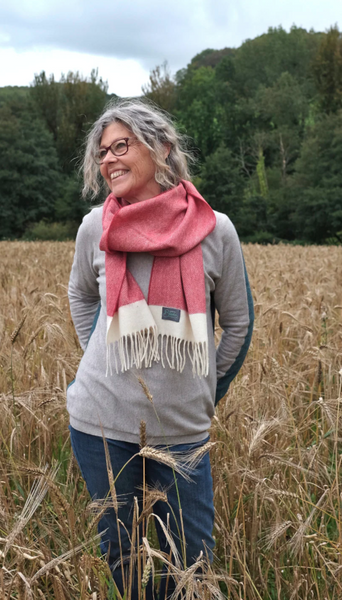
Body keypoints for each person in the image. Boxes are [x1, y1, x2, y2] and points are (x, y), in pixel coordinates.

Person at [67, 99, 254, 599]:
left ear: (163, 148)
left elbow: (238, 324)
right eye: (102, 152)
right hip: (100, 425)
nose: (109, 160)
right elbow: (81, 295)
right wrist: (101, 355)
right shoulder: (96, 228)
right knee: (123, 560)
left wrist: (205, 389)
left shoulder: (216, 231)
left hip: (183, 432)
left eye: (121, 146)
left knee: (188, 565)